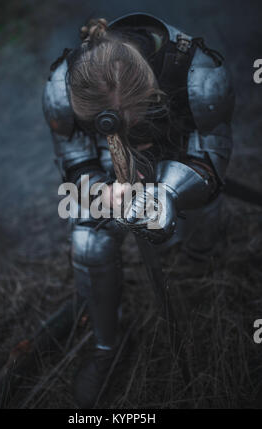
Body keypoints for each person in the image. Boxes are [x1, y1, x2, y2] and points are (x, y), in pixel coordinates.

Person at [42, 13, 235, 408]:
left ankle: (201, 268)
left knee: (202, 231)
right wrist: (98, 191)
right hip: (110, 174)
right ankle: (104, 346)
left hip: (178, 160)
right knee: (88, 240)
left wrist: (168, 192)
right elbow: (73, 156)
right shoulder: (62, 86)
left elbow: (211, 160)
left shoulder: (198, 74)